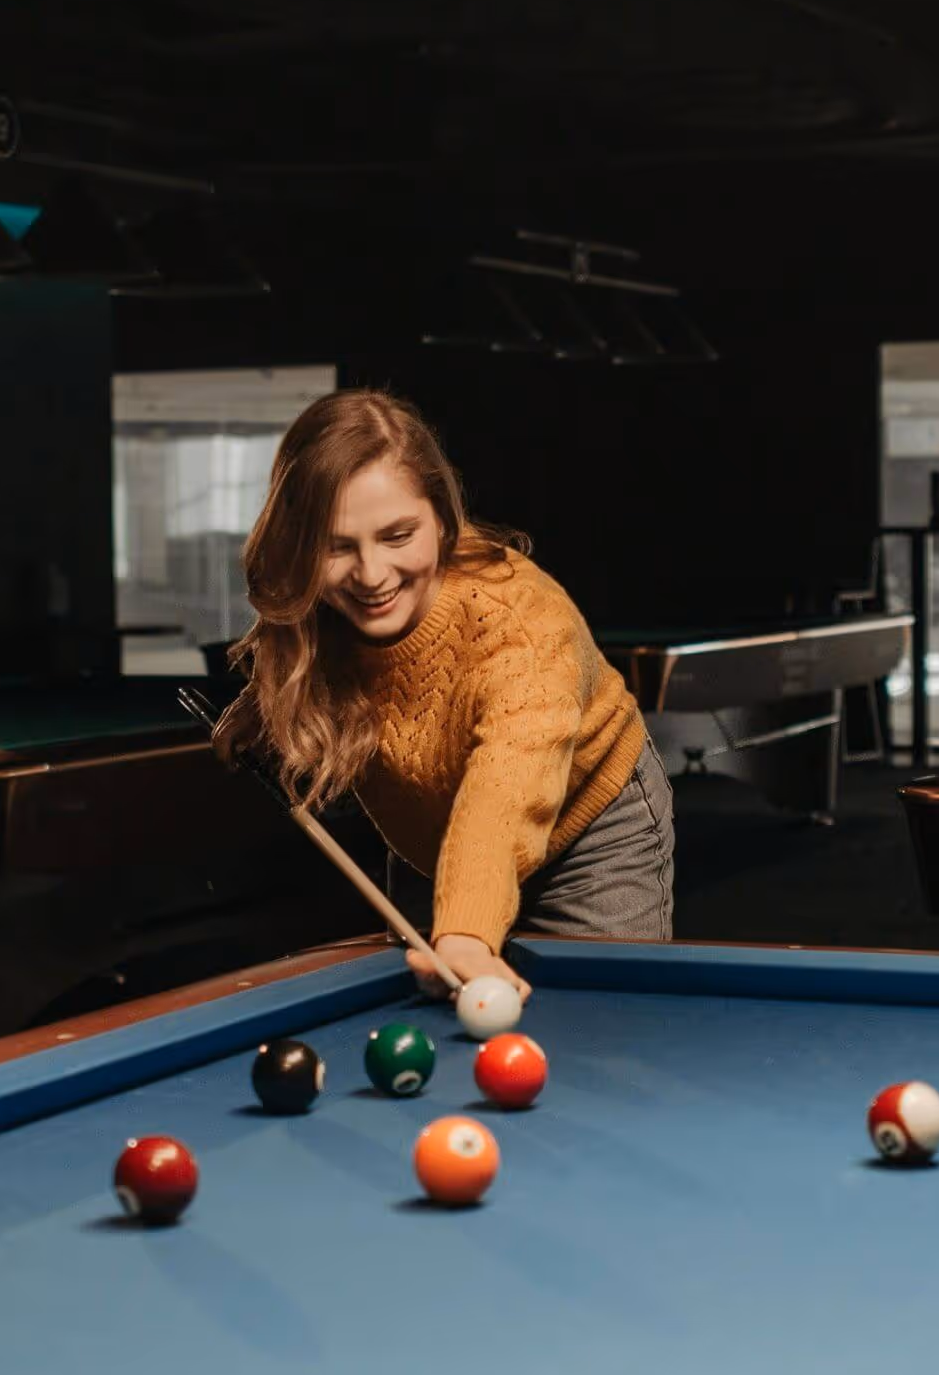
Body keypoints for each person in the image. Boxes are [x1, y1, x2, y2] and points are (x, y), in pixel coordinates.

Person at [216, 389, 673, 999]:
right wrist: (262, 708)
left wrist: (464, 936)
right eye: (336, 546)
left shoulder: (521, 626)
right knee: (431, 1011)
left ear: (442, 517)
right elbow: (315, 655)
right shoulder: (317, 602)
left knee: (601, 1025)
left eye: (397, 535)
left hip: (588, 835)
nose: (372, 575)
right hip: (434, 844)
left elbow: (505, 791)